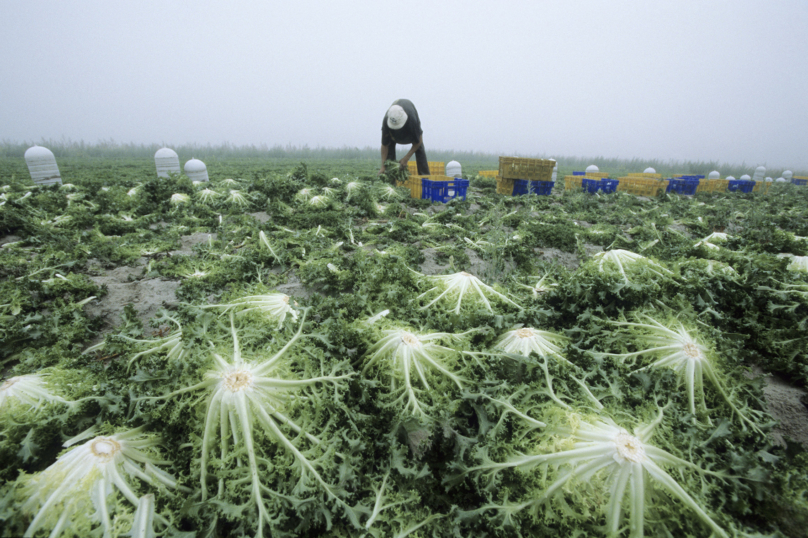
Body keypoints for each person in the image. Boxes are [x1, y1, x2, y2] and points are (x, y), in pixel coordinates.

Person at [379, 99, 430, 175]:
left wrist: (406, 158)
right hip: (393, 137)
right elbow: (384, 145)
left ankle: (425, 177)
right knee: (389, 149)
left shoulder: (412, 120)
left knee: (419, 148)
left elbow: (419, 141)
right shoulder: (387, 120)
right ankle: (391, 181)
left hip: (409, 133)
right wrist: (383, 166)